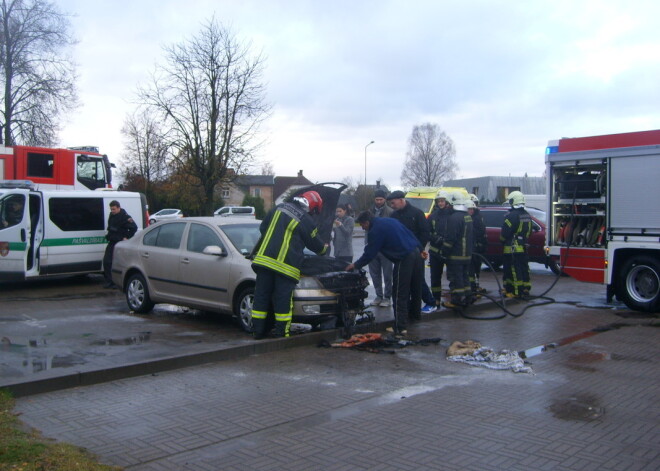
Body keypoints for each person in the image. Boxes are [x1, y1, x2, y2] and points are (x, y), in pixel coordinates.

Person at [251, 190, 328, 339]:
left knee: (261, 297)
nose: (313, 213)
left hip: (264, 262)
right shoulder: (306, 220)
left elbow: (263, 228)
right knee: (283, 301)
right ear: (312, 207)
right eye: (314, 210)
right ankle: (282, 334)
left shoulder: (278, 208)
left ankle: (258, 332)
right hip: (285, 267)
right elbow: (317, 246)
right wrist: (324, 248)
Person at [346, 211, 423, 335]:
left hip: (404, 258)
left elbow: (370, 253)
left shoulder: (375, 231)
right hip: (416, 253)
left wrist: (355, 265)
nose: (362, 227)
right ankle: (414, 317)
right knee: (415, 288)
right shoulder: (389, 221)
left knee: (399, 292)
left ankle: (400, 327)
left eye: (362, 225)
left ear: (367, 222)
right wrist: (421, 249)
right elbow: (410, 234)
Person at [387, 190, 435, 313]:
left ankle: (430, 302)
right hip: (401, 254)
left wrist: (419, 249)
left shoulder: (417, 213)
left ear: (401, 200)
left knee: (418, 279)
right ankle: (408, 308)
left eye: (393, 203)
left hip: (416, 253)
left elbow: (425, 233)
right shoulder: (394, 215)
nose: (392, 206)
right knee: (404, 281)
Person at [441, 191, 473, 309]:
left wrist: (444, 251)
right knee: (465, 277)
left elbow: (450, 239)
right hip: (467, 255)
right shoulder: (467, 217)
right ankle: (468, 297)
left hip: (456, 255)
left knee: (456, 278)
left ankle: (457, 300)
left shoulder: (454, 218)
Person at [500, 191, 532, 298]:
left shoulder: (511, 216)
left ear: (513, 201)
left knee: (513, 270)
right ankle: (525, 288)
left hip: (512, 248)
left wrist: (502, 240)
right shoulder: (526, 215)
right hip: (523, 246)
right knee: (523, 268)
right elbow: (529, 231)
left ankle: (516, 292)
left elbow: (505, 232)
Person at [367, 189, 394, 307]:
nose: (378, 201)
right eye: (377, 199)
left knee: (387, 274)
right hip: (372, 248)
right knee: (374, 273)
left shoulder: (391, 212)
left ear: (385, 199)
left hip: (386, 248)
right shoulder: (369, 211)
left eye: (381, 199)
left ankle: (387, 297)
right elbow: (367, 230)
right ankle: (378, 296)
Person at [103, 200, 138, 288]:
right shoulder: (112, 215)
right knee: (107, 261)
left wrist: (126, 237)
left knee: (117, 263)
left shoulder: (125, 217)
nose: (112, 211)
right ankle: (109, 281)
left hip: (120, 242)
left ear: (119, 208)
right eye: (111, 209)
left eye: (114, 209)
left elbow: (134, 228)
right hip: (112, 241)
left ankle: (116, 282)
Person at [427, 190, 452, 306]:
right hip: (435, 252)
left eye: (442, 201)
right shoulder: (433, 215)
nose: (440, 203)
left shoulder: (452, 214)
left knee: (452, 276)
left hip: (449, 251)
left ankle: (453, 298)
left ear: (447, 202)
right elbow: (427, 231)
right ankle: (435, 299)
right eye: (439, 201)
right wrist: (434, 238)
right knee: (435, 277)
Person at [467, 194, 488, 299]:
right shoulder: (473, 216)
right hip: (474, 247)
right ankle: (473, 287)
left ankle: (474, 287)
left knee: (474, 268)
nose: (473, 207)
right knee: (472, 269)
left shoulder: (476, 217)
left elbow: (480, 232)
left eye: (474, 204)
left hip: (476, 247)